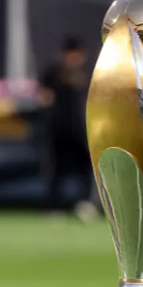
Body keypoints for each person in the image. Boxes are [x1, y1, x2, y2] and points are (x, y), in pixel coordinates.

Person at [39, 37, 96, 220]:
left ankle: (84, 204)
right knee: (57, 169)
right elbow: (44, 98)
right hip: (59, 128)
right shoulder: (52, 73)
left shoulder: (89, 73)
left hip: (81, 129)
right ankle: (54, 206)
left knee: (85, 168)